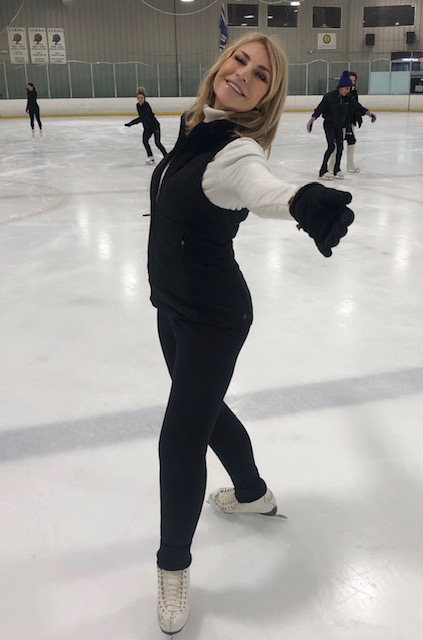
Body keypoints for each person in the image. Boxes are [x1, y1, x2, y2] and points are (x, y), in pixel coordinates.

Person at [148, 33, 355, 636]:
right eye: (240, 59)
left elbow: (264, 191)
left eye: (260, 75)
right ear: (222, 62)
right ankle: (254, 492)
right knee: (205, 415)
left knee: (178, 443)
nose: (243, 73)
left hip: (214, 319)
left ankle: (173, 565)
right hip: (172, 307)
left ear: (266, 97)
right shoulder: (196, 125)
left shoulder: (235, 153)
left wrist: (303, 201)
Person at [306, 70, 376, 180]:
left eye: (349, 88)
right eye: (346, 88)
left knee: (340, 147)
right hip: (329, 124)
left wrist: (368, 113)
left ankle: (336, 169)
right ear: (341, 87)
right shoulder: (329, 97)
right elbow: (320, 109)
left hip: (340, 125)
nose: (348, 91)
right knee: (331, 146)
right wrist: (312, 119)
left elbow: (357, 106)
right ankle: (323, 170)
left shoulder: (348, 98)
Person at [327, 71, 377, 173]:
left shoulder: (353, 93)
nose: (352, 82)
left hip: (349, 122)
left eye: (354, 81)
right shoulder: (340, 94)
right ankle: (331, 166)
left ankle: (350, 164)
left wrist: (367, 113)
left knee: (351, 141)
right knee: (337, 145)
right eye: (351, 80)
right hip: (340, 123)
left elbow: (356, 106)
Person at [124, 86, 167, 164]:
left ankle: (166, 157)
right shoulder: (138, 106)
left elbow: (142, 117)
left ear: (144, 98)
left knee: (157, 142)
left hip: (154, 126)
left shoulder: (146, 105)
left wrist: (131, 123)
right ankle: (150, 157)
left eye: (141, 98)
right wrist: (131, 123)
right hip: (147, 128)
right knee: (145, 141)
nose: (140, 99)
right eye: (138, 98)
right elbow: (141, 118)